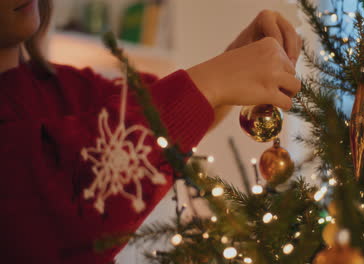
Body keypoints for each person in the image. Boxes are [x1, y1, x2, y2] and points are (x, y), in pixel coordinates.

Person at [0, 0, 301, 263]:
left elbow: (161, 119)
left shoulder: (62, 86)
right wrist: (212, 83)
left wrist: (231, 63)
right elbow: (60, 208)